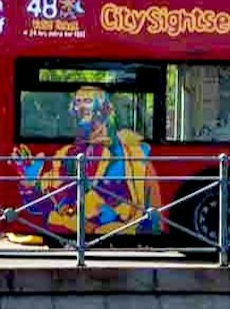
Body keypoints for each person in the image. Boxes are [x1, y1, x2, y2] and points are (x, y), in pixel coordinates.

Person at [14, 85, 164, 239]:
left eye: (87, 101)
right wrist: (30, 183)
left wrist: (154, 233)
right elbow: (43, 207)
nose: (80, 107)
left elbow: (153, 205)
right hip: (78, 236)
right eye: (77, 102)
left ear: (104, 109)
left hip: (120, 228)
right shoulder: (66, 155)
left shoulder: (135, 153)